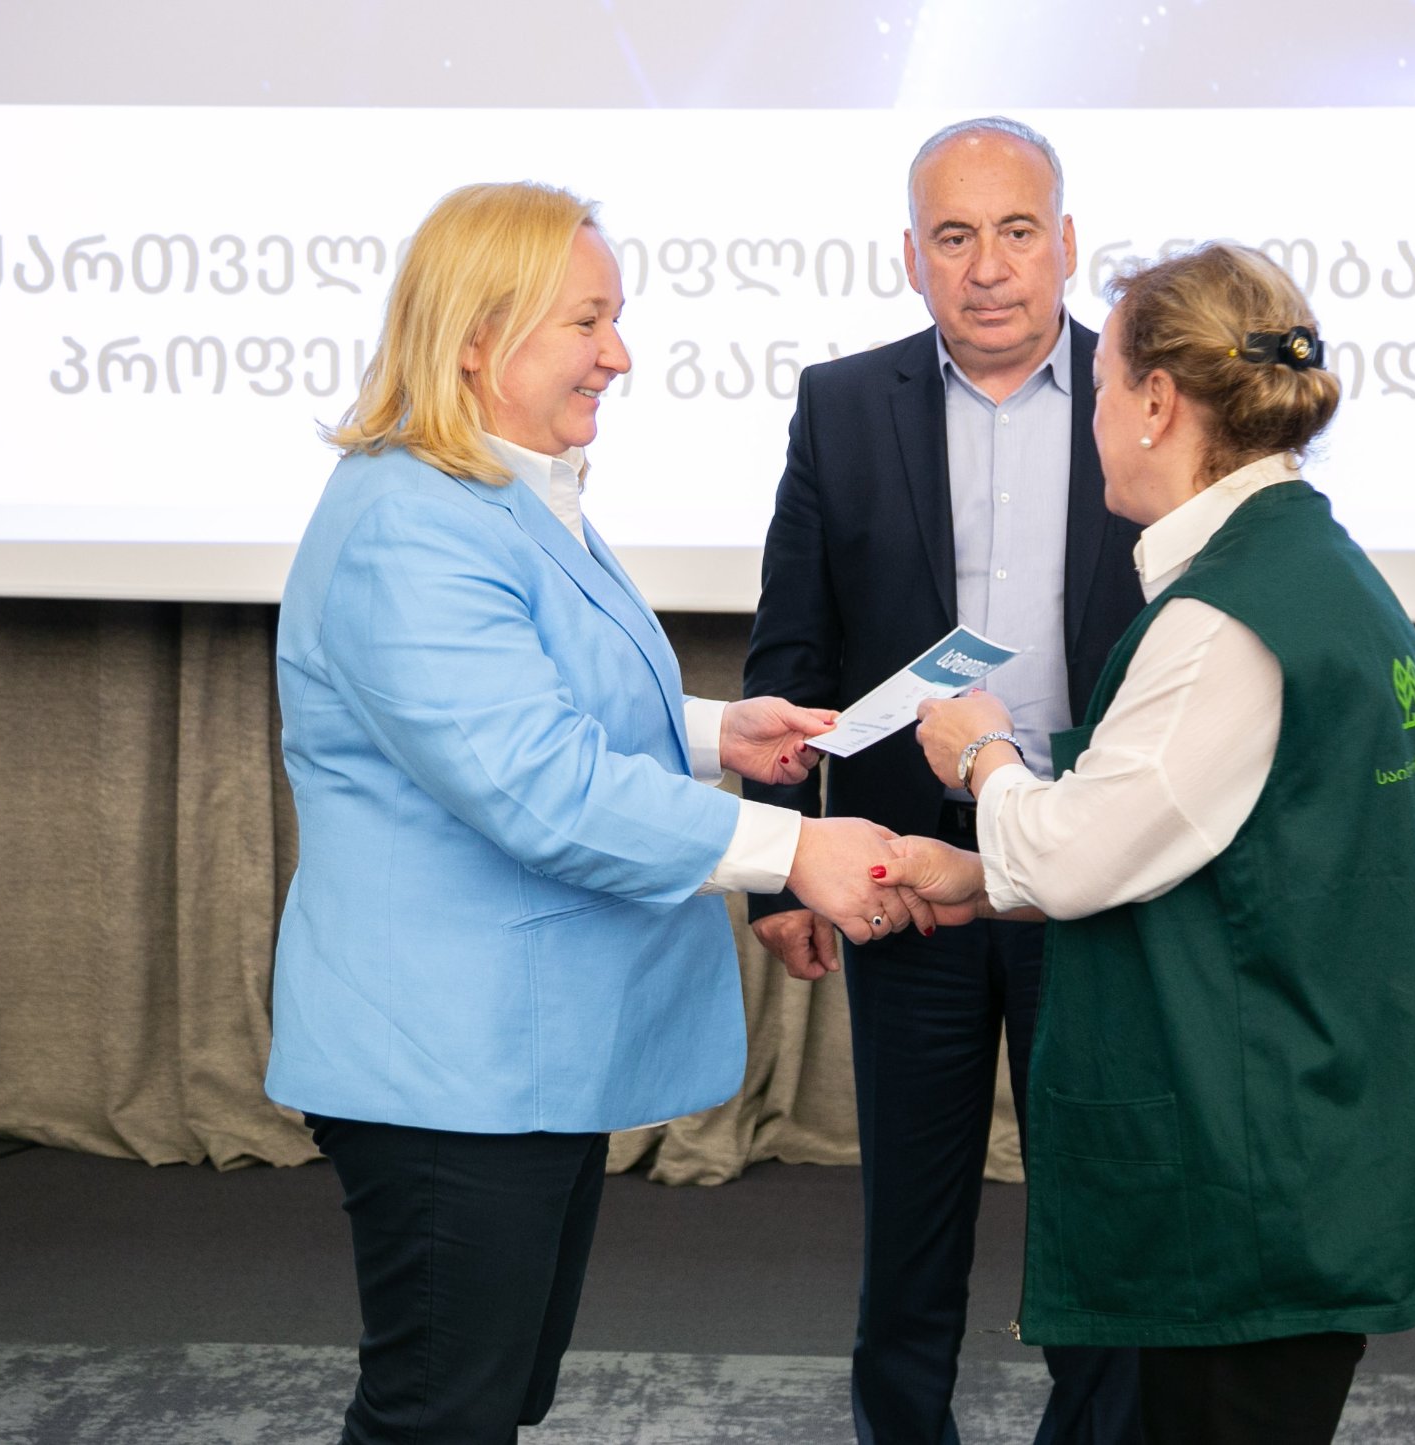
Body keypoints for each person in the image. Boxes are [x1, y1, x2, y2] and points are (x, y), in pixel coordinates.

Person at [265, 180, 925, 1445]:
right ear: (475, 336)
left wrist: (715, 730)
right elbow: (535, 782)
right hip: (445, 1064)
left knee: (486, 1401)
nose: (617, 353)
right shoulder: (409, 524)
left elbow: (531, 700)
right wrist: (793, 847)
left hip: (510, 1057)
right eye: (586, 320)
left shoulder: (503, 493)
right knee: (438, 1416)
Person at [874, 242, 1415, 1445]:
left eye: (1099, 385)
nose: (1091, 418)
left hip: (1253, 1170)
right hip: (1312, 1134)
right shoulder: (1312, 566)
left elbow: (1076, 852)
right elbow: (1199, 836)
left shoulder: (1224, 616)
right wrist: (975, 877)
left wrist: (979, 753)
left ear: (1157, 402)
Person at [743, 118, 1147, 1445]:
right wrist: (779, 870)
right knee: (911, 1224)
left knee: (1099, 1212)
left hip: (1088, 870)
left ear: (1066, 244)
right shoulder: (842, 407)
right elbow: (790, 651)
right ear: (910, 256)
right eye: (955, 236)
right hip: (904, 871)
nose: (987, 267)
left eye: (1016, 231)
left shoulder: (1144, 399)